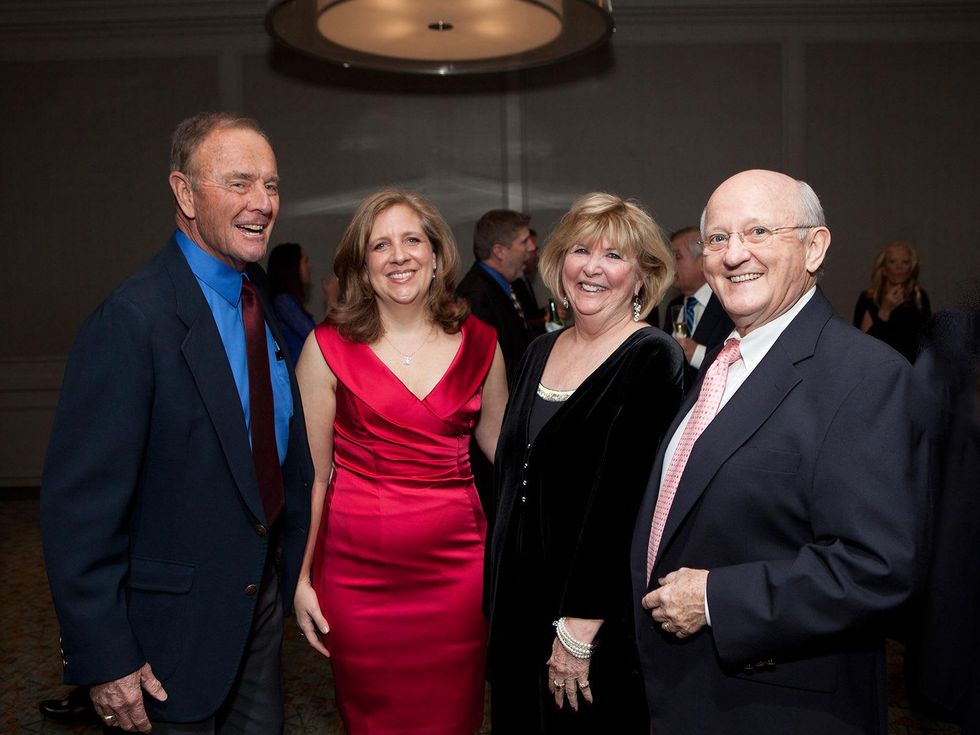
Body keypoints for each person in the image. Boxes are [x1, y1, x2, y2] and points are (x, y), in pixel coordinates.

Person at [40, 112, 313, 733]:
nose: (262, 203)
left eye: (270, 185)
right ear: (184, 193)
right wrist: (105, 657)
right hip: (166, 641)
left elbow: (272, 456)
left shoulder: (255, 298)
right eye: (239, 183)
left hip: (256, 613)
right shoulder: (133, 320)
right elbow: (80, 512)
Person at [631, 169, 921, 735]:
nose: (734, 254)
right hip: (690, 690)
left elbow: (877, 566)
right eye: (717, 239)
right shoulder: (724, 359)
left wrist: (717, 598)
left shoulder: (866, 375)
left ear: (814, 246)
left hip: (779, 703)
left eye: (759, 231)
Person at [293, 189, 508, 735]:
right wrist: (300, 579)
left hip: (458, 576)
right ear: (362, 264)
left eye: (412, 239)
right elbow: (313, 477)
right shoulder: (324, 348)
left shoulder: (483, 343)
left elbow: (507, 454)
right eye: (380, 245)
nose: (399, 255)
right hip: (357, 578)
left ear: (436, 255)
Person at [487, 192, 684, 734]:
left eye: (615, 256)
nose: (593, 268)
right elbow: (510, 478)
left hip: (591, 618)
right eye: (580, 249)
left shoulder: (652, 357)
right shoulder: (536, 352)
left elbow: (627, 505)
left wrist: (579, 626)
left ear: (643, 276)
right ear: (558, 263)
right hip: (517, 610)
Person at [456, 209, 536, 384]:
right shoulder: (473, 297)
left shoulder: (509, 284)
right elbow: (485, 367)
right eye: (524, 242)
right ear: (499, 252)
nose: (531, 247)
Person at [660, 225, 733, 391]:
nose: (670, 264)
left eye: (677, 256)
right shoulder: (674, 305)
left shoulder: (727, 303)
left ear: (702, 262)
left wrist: (696, 354)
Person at [853, 240, 931, 362]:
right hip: (879, 369)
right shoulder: (868, 298)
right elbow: (863, 345)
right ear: (884, 268)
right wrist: (884, 311)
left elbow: (926, 344)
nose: (899, 267)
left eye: (905, 262)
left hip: (910, 372)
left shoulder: (919, 298)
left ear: (912, 268)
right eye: (892, 261)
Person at [267, 242, 316, 363]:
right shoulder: (283, 302)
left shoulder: (286, 301)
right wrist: (332, 299)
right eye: (305, 261)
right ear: (292, 266)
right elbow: (315, 336)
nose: (310, 266)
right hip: (296, 374)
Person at [511, 228, 547, 336]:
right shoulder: (513, 281)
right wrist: (545, 319)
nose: (537, 256)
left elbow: (529, 312)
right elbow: (518, 321)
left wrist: (545, 311)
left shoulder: (524, 277)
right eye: (533, 251)